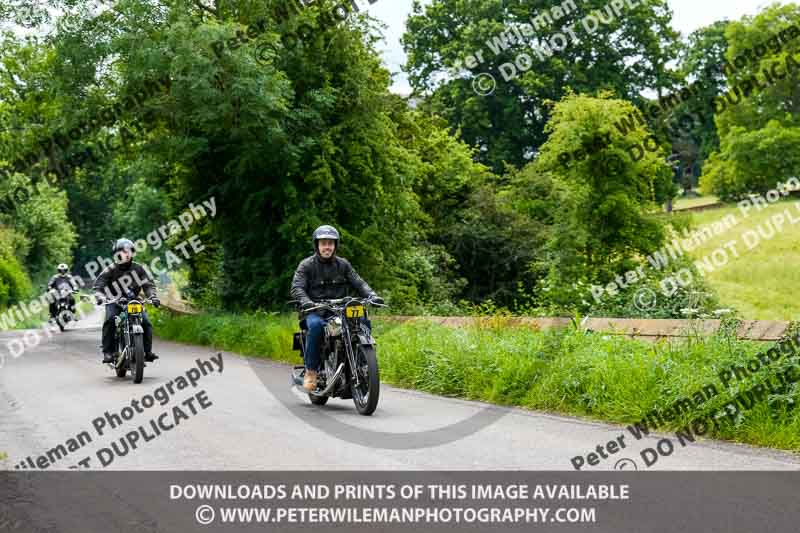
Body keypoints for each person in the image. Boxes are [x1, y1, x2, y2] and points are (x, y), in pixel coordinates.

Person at [290, 225, 384, 391]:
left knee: (362, 320)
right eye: (324, 243)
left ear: (335, 245)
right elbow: (297, 287)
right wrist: (306, 301)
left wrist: (372, 295)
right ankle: (311, 372)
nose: (327, 247)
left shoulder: (343, 265)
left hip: (340, 310)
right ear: (317, 245)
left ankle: (364, 360)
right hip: (315, 311)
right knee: (316, 327)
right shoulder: (306, 265)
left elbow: (359, 282)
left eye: (330, 243)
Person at [93, 238, 160, 364]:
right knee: (110, 320)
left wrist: (153, 297)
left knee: (146, 322)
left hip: (134, 301)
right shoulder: (110, 269)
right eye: (123, 252)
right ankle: (108, 352)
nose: (127, 254)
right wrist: (100, 297)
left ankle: (147, 351)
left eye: (129, 251)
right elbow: (98, 286)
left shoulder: (139, 269)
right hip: (114, 301)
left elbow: (148, 285)